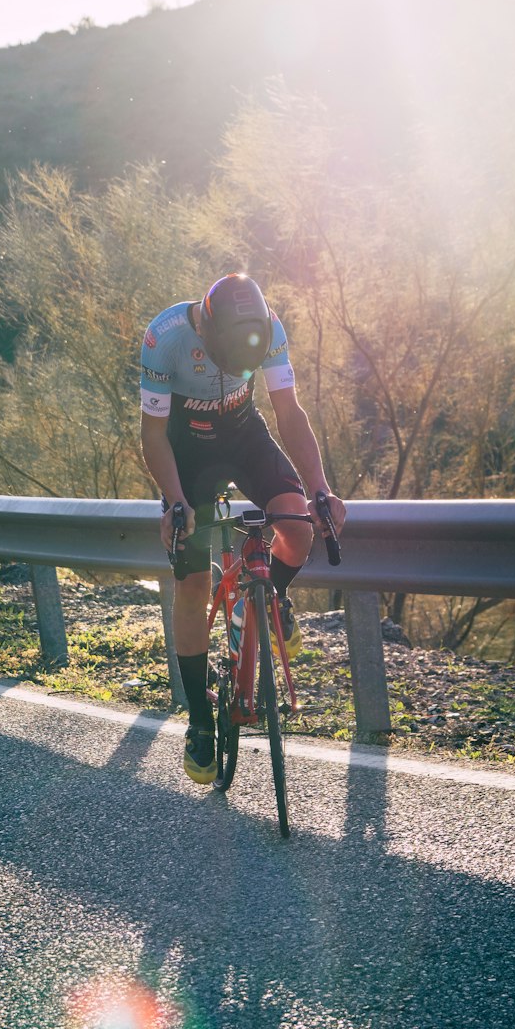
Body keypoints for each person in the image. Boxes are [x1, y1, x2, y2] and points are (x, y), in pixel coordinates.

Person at [140, 274, 347, 784]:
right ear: (207, 333)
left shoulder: (268, 327)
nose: (235, 367)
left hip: (243, 435)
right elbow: (151, 434)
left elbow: (288, 412)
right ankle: (199, 719)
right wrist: (176, 502)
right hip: (186, 453)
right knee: (192, 583)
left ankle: (269, 594)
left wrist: (320, 487)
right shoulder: (164, 337)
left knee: (299, 527)